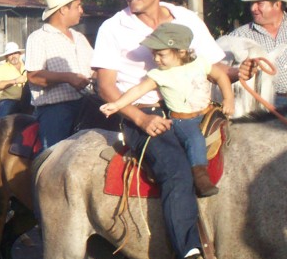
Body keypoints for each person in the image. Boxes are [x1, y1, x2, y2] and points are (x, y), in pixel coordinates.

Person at [91, 0, 238, 259]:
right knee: (176, 170)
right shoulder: (113, 28)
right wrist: (141, 119)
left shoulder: (187, 20)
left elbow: (214, 66)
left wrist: (237, 73)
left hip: (194, 110)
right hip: (143, 112)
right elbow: (105, 87)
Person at [100, 23, 235, 197]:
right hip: (182, 120)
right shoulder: (159, 74)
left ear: (181, 51)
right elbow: (138, 90)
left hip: (207, 113)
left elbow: (221, 76)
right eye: (153, 54)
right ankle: (200, 176)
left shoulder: (200, 63)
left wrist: (228, 98)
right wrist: (117, 105)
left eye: (161, 54)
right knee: (194, 139)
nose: (156, 59)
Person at [25, 0, 94, 148]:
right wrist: (68, 78)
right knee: (54, 159)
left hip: (88, 103)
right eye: (78, 6)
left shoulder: (80, 38)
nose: (81, 11)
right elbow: (33, 76)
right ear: (63, 9)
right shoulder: (39, 38)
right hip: (56, 110)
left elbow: (95, 69)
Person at [0, 42, 27, 119]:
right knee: (2, 122)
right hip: (9, 101)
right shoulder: (2, 68)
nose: (13, 56)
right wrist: (15, 81)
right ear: (6, 57)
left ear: (19, 54)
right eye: (10, 54)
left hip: (27, 101)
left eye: (15, 53)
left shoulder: (27, 66)